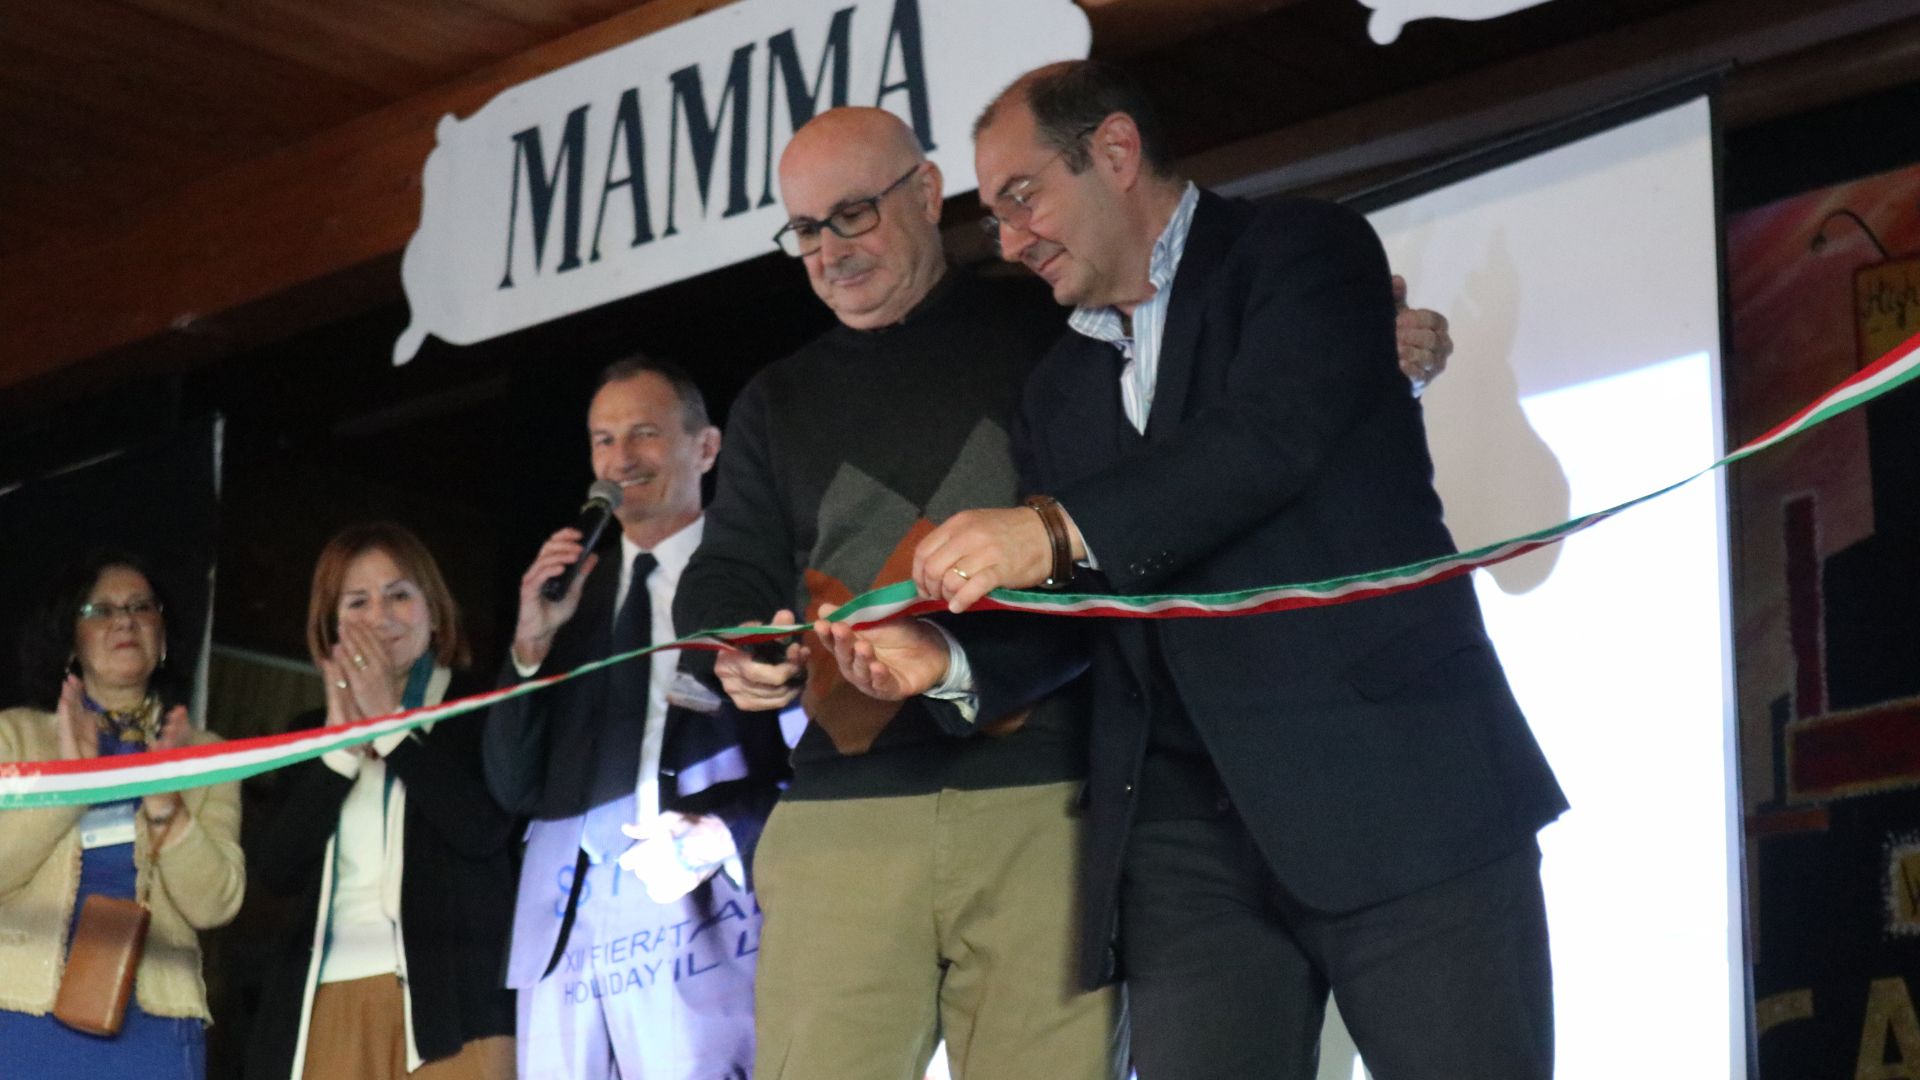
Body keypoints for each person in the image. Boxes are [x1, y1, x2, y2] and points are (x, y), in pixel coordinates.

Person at [817, 62, 1568, 1080]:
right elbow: (1083, 601)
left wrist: (1051, 528)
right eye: (993, 217)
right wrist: (945, 658)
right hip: (1183, 848)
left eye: (1023, 196)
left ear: (1116, 151)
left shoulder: (1302, 251)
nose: (1011, 238)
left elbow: (1268, 440)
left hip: (1399, 795)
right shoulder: (1058, 388)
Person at [676, 106, 1454, 1080]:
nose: (829, 250)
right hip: (843, 810)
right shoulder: (773, 399)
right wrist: (737, 643)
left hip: (1053, 804)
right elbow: (727, 571)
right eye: (804, 230)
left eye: (853, 215)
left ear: (926, 193)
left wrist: (1366, 347)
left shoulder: (1060, 328)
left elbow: (1182, 485)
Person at [484, 357, 786, 1080]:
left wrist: (726, 829)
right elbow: (512, 785)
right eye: (603, 440)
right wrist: (530, 646)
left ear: (706, 448)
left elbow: (810, 755)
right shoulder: (567, 600)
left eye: (644, 433)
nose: (621, 460)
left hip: (705, 903)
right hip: (568, 919)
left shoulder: (758, 579)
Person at [245, 522, 515, 1080]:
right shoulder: (309, 733)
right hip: (329, 996)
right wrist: (342, 749)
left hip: (457, 1008)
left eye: (399, 596)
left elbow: (484, 832)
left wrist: (391, 727)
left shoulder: (482, 707)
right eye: (358, 602)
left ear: (434, 611)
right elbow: (275, 869)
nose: (380, 617)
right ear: (332, 627)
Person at [0, 550, 245, 1079]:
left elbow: (215, 904)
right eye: (101, 610)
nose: (125, 621)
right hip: (19, 1018)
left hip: (154, 1028)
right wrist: (70, 787)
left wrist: (167, 808)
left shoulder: (208, 756)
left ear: (163, 639)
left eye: (141, 607)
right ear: (71, 641)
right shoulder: (13, 736)